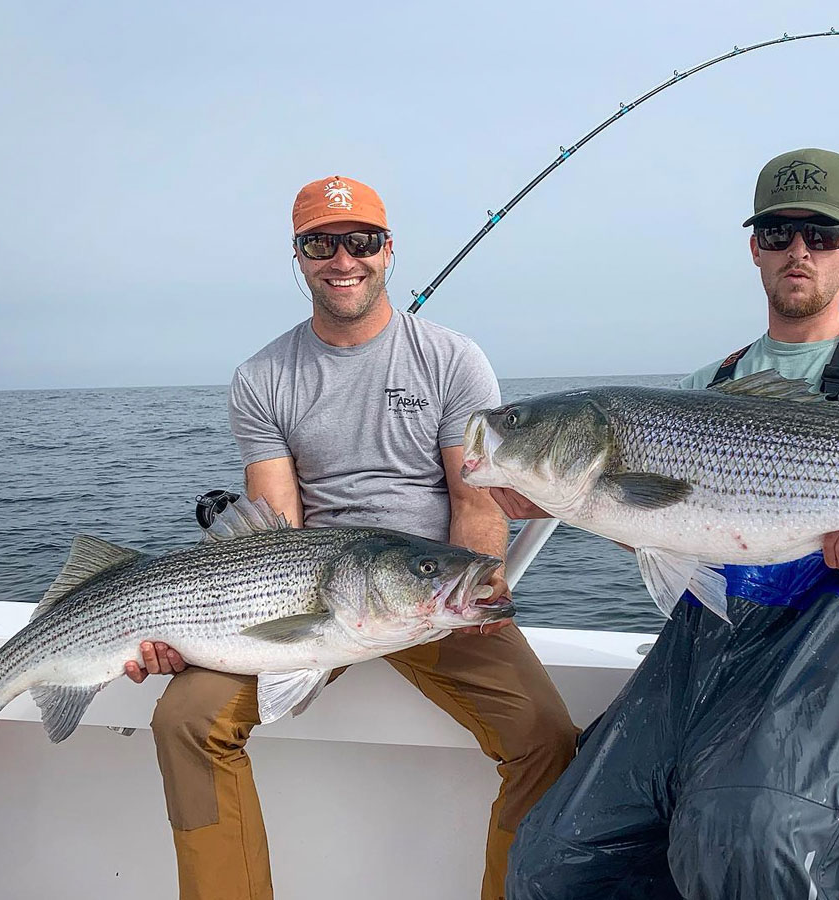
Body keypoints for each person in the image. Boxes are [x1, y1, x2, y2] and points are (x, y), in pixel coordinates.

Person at [494, 149, 839, 899]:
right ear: (754, 247)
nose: (798, 250)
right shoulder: (708, 386)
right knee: (552, 855)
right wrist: (564, 499)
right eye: (777, 232)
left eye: (822, 234)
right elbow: (670, 535)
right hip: (712, 637)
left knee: (751, 837)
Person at [125, 175, 578, 900]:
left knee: (550, 742)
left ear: (388, 250)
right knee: (185, 720)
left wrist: (475, 590)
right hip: (310, 588)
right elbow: (277, 526)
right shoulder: (262, 376)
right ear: (299, 257)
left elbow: (476, 500)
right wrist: (203, 627)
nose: (344, 260)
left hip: (428, 584)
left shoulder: (452, 360)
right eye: (322, 244)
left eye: (362, 241)